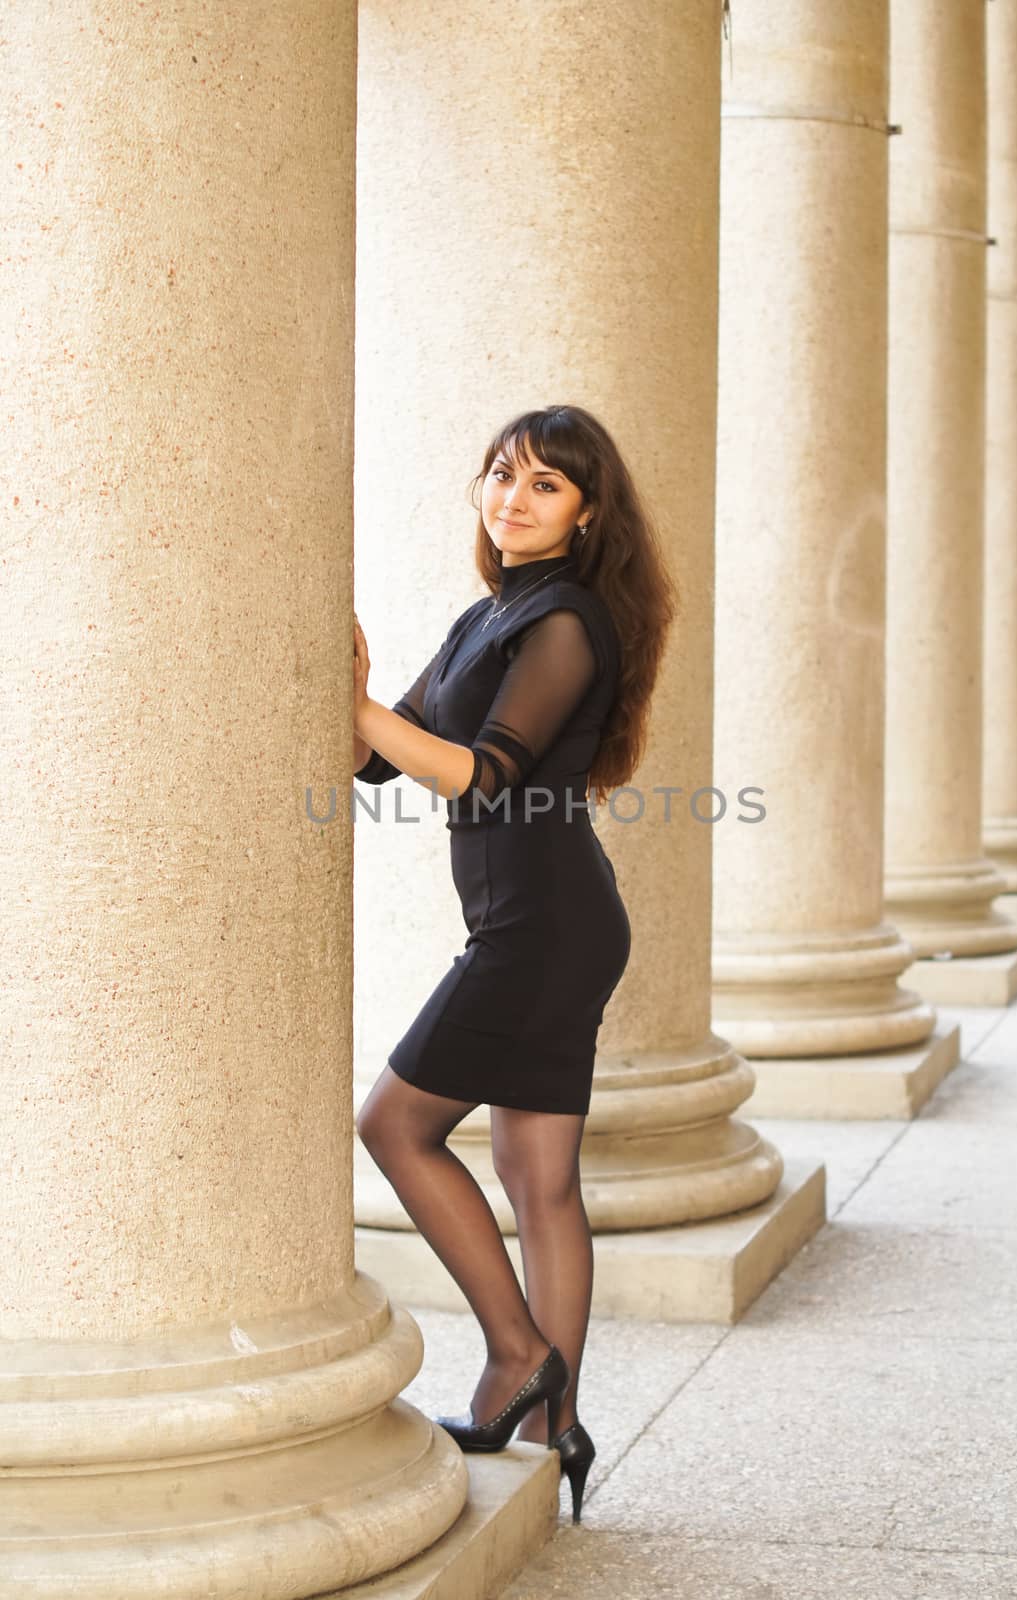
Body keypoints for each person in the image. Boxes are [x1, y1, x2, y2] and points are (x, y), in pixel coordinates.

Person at [352, 403, 676, 1523]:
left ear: (588, 513)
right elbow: (381, 758)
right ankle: (555, 1420)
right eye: (501, 474)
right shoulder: (491, 615)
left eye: (544, 484)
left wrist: (361, 711)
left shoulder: (567, 623)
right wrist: (341, 679)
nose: (511, 497)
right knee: (540, 1181)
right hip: (544, 923)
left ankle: (515, 1360)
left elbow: (482, 776)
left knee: (394, 1124)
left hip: (539, 929)